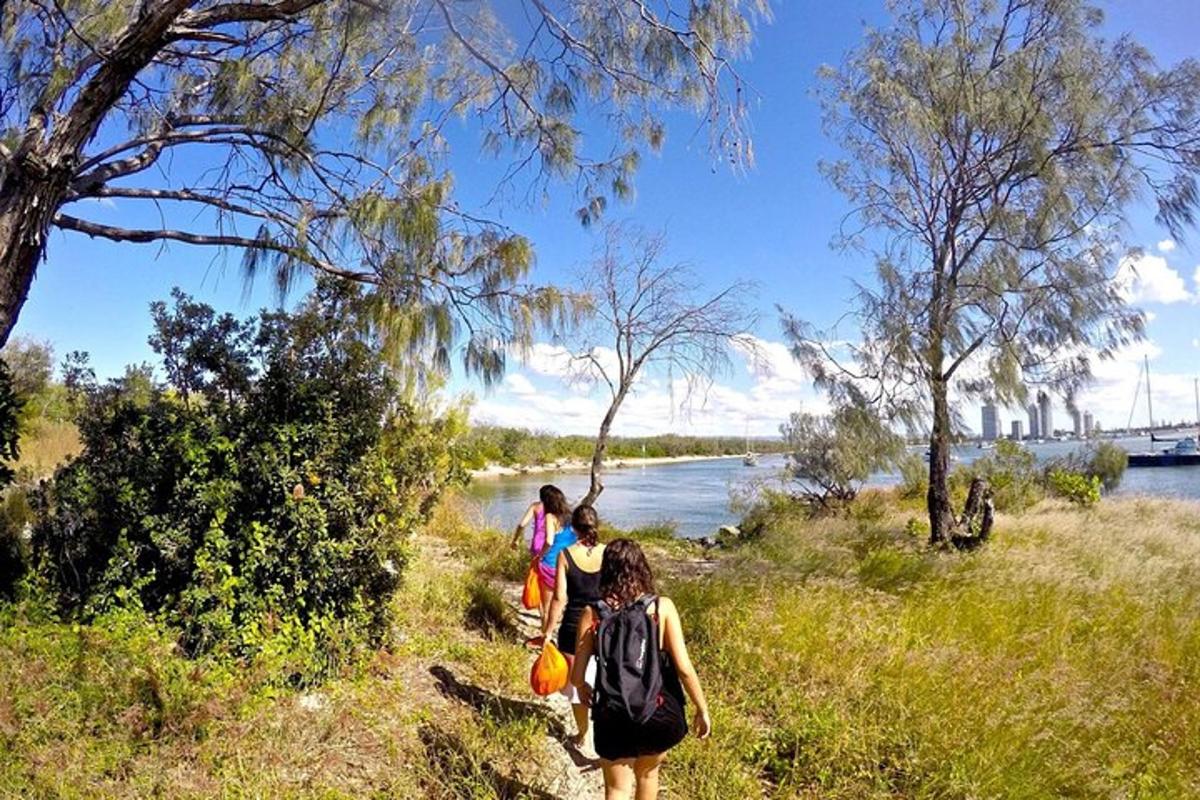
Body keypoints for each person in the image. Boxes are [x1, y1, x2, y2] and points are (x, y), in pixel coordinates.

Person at [570, 539, 711, 800]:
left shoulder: (592, 613)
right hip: (657, 712)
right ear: (641, 568)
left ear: (606, 570)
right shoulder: (661, 607)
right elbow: (684, 668)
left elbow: (576, 675)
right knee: (648, 775)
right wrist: (702, 709)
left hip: (612, 714)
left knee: (617, 788)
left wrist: (583, 687)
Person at [540, 504, 604, 748]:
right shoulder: (608, 553)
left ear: (574, 528)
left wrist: (547, 632)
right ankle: (604, 737)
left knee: (578, 687)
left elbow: (559, 598)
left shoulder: (565, 555)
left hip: (573, 629)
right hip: (604, 627)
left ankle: (582, 733)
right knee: (606, 682)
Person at [509, 484, 571, 628]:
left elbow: (522, 524)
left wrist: (516, 540)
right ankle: (552, 617)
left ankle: (544, 617)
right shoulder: (565, 513)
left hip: (539, 547)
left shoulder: (536, 507)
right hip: (559, 550)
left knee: (540, 582)